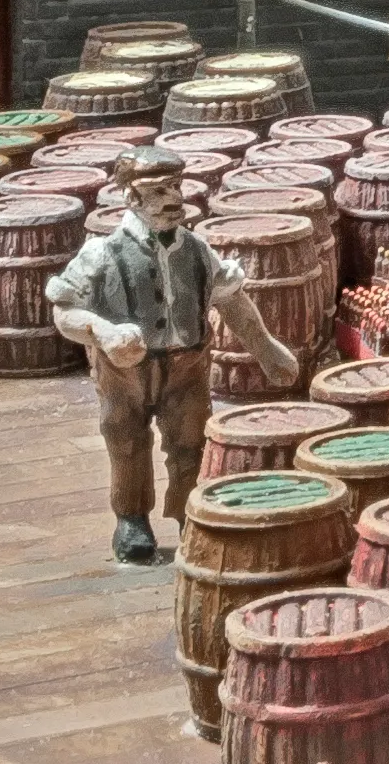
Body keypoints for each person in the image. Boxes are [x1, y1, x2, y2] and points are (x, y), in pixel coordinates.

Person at [46, 148, 297, 564]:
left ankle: (188, 516)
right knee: (126, 441)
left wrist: (267, 350)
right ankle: (131, 521)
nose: (174, 199)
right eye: (159, 191)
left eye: (176, 187)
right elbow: (64, 310)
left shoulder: (197, 251)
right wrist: (103, 331)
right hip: (125, 370)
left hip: (188, 365)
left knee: (190, 442)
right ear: (132, 199)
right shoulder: (102, 253)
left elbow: (232, 302)